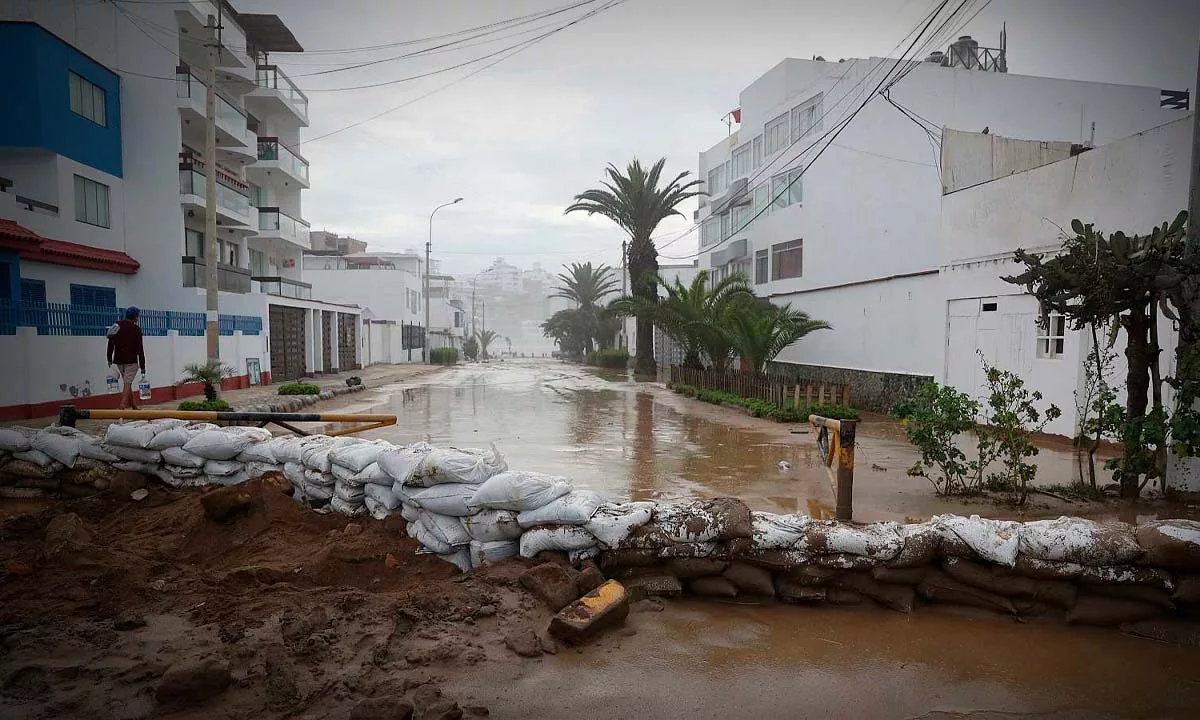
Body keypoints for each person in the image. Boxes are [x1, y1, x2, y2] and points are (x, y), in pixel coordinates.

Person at [107, 306, 146, 410]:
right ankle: (122, 405)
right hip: (131, 361)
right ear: (136, 317)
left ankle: (133, 405)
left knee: (127, 383)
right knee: (127, 383)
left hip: (119, 361)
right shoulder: (136, 329)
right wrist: (142, 365)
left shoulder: (117, 326)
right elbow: (140, 348)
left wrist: (109, 358)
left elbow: (111, 343)